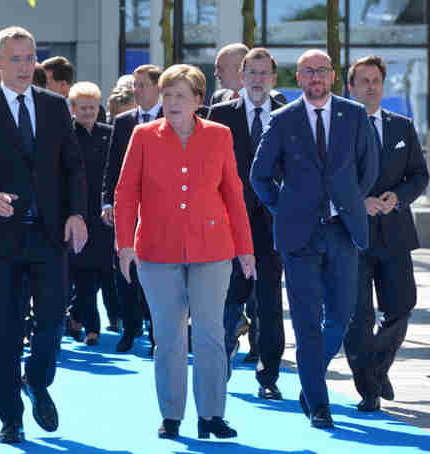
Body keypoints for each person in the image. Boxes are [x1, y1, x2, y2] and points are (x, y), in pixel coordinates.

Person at [0, 26, 87, 444]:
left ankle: (36, 379)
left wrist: (76, 214)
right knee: (4, 330)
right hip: (0, 239)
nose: (24, 66)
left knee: (52, 320)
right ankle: (10, 418)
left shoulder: (56, 107)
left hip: (49, 235)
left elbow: (73, 167)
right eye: (14, 58)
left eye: (30, 57)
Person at [115, 64, 254, 440]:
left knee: (210, 334)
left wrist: (246, 248)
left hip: (212, 249)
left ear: (198, 100)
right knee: (169, 337)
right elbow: (126, 193)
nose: (172, 102)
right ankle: (172, 414)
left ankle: (211, 415)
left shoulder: (220, 136)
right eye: (167, 95)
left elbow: (233, 195)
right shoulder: (143, 135)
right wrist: (124, 244)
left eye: (180, 95)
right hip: (157, 251)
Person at [250, 49, 379, 429]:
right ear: (298, 78)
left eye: (322, 71)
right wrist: (285, 208)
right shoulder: (282, 120)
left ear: (334, 76)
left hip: (342, 230)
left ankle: (309, 381)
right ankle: (320, 405)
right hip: (299, 235)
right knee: (306, 322)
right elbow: (260, 176)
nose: (316, 77)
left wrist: (349, 202)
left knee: (340, 317)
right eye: (308, 72)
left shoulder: (354, 115)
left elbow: (368, 168)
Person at [344, 55, 428, 412]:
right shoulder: (337, 127)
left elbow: (419, 176)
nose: (370, 86)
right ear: (350, 87)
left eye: (375, 79)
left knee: (401, 306)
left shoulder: (402, 126)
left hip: (395, 233)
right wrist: (357, 201)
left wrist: (400, 197)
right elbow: (329, 177)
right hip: (353, 236)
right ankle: (368, 390)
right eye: (362, 80)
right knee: (357, 316)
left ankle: (375, 368)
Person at [206, 48, 286, 399]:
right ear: (241, 76)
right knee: (226, 300)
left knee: (269, 305)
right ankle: (218, 365)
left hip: (273, 228)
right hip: (228, 225)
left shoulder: (288, 115)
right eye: (250, 73)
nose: (257, 79)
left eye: (263, 73)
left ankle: (268, 377)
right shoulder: (220, 114)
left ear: (273, 77)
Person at [102, 64, 162, 354]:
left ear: (157, 87)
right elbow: (112, 167)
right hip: (128, 210)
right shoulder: (124, 121)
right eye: (134, 86)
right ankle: (130, 328)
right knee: (124, 270)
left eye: (142, 85)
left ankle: (157, 334)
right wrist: (107, 202)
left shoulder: (172, 116)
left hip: (162, 212)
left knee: (156, 274)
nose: (136, 91)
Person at [68, 81, 116, 346]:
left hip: (103, 213)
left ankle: (76, 315)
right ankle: (91, 327)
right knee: (82, 271)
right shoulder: (65, 135)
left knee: (98, 271)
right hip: (76, 212)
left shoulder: (109, 134)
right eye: (83, 108)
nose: (88, 112)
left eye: (93, 107)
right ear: (73, 108)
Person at [211, 43, 287, 106]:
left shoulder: (275, 98)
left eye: (220, 68)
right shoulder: (218, 98)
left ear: (238, 69)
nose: (216, 73)